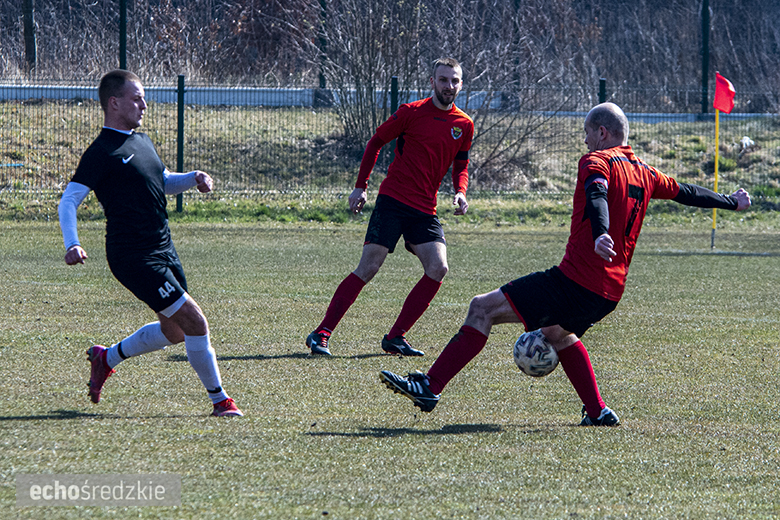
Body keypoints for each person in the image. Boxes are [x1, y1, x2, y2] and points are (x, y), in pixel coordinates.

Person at [380, 102, 751, 425]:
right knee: (557, 332)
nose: (586, 142)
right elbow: (687, 193)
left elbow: (597, 192)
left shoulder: (596, 161)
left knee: (481, 308)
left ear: (602, 133)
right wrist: (730, 201)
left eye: (588, 134)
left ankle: (430, 387)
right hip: (608, 293)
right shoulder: (647, 172)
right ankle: (597, 410)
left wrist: (601, 232)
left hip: (575, 280)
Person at [58, 69, 242, 417]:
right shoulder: (101, 152)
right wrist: (72, 243)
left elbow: (161, 181)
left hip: (163, 247)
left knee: (173, 331)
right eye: (136, 97)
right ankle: (221, 401)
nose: (144, 104)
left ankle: (106, 357)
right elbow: (68, 200)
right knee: (195, 322)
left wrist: (193, 178)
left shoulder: (141, 141)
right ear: (114, 102)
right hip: (133, 256)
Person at [305, 57, 475, 356]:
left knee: (438, 268)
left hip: (425, 208)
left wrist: (460, 192)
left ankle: (396, 336)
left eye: (455, 80)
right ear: (432, 82)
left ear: (461, 84)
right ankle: (321, 333)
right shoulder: (411, 112)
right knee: (369, 267)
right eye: (444, 79)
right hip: (393, 201)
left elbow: (461, 164)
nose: (449, 85)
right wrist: (361, 186)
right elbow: (375, 143)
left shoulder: (464, 124)